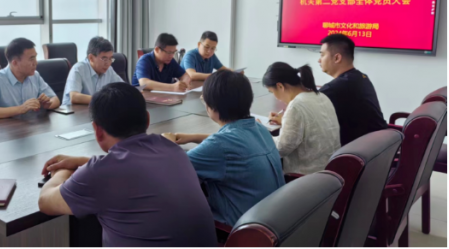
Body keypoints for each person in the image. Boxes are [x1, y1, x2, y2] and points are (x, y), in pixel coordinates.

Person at [37, 83, 217, 247]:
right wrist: (86, 162)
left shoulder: (101, 174)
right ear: (147, 120)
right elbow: (135, 167)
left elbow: (45, 201)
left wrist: (62, 170)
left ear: (97, 130)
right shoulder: (172, 149)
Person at [162, 70, 285, 227]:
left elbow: (171, 168)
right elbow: (232, 144)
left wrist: (167, 144)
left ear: (212, 107)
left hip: (240, 229)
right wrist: (193, 137)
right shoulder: (260, 129)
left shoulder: (219, 146)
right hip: (274, 220)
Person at [262, 62, 340, 175]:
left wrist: (260, 131)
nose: (276, 98)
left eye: (272, 92)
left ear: (280, 86)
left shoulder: (296, 106)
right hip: (329, 173)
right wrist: (285, 120)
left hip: (304, 178)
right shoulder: (321, 96)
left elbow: (280, 149)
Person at [318, 34, 388, 145]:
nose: (319, 60)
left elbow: (303, 108)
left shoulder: (337, 87)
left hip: (360, 151)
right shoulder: (360, 77)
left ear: (337, 58)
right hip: (379, 145)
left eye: (322, 55)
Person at [0, 38, 60, 120]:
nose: (35, 62)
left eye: (35, 57)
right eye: (31, 59)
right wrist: (21, 109)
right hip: (7, 127)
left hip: (31, 125)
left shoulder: (35, 76)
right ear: (15, 63)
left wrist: (47, 105)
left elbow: (55, 99)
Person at [62, 37, 123, 106]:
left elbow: (123, 89)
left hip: (94, 110)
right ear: (91, 58)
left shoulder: (109, 70)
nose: (108, 63)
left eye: (110, 59)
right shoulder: (78, 69)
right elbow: (74, 97)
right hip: (74, 111)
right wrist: (104, 100)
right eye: (104, 59)